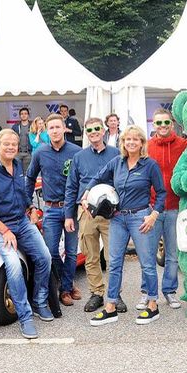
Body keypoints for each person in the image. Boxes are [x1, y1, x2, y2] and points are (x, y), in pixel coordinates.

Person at [84, 126, 166, 326]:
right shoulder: (117, 162)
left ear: (141, 143)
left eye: (135, 139)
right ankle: (110, 307)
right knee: (114, 264)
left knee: (147, 263)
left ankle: (153, 304)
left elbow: (162, 193)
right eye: (127, 139)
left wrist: (154, 215)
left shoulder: (150, 165)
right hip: (118, 219)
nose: (131, 143)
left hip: (141, 218)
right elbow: (97, 177)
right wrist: (87, 194)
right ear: (123, 142)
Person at [0, 129, 54, 338]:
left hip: (21, 221)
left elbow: (21, 193)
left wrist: (30, 208)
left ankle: (39, 301)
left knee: (45, 257)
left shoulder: (18, 165)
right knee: (13, 264)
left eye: (14, 144)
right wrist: (5, 230)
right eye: (6, 144)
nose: (10, 147)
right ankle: (25, 316)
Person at [64, 117, 123, 313]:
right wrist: (69, 215)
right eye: (89, 130)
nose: (94, 132)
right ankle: (97, 293)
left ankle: (115, 295)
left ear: (103, 130)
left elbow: (122, 181)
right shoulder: (79, 157)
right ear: (87, 133)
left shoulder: (116, 153)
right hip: (86, 211)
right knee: (90, 255)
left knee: (113, 256)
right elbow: (71, 186)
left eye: (97, 128)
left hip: (110, 211)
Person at [27, 113, 81, 306]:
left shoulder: (76, 151)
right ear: (46, 130)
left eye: (58, 127)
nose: (55, 131)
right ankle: (65, 283)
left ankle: (65, 289)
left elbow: (82, 180)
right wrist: (30, 205)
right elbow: (30, 178)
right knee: (51, 253)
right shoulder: (40, 152)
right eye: (51, 128)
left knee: (72, 251)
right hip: (50, 209)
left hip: (71, 210)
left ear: (64, 128)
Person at [146, 107, 187, 308]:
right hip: (151, 209)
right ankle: (148, 293)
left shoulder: (183, 145)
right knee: (148, 254)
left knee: (172, 254)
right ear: (153, 125)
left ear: (171, 124)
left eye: (166, 123)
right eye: (158, 123)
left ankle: (170, 291)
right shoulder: (146, 146)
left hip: (174, 207)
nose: (162, 126)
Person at [12, 107, 34, 171]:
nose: (23, 115)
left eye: (25, 113)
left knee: (28, 173)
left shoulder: (33, 126)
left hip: (29, 153)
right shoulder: (15, 126)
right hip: (18, 153)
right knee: (17, 171)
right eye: (22, 114)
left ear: (28, 115)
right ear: (19, 116)